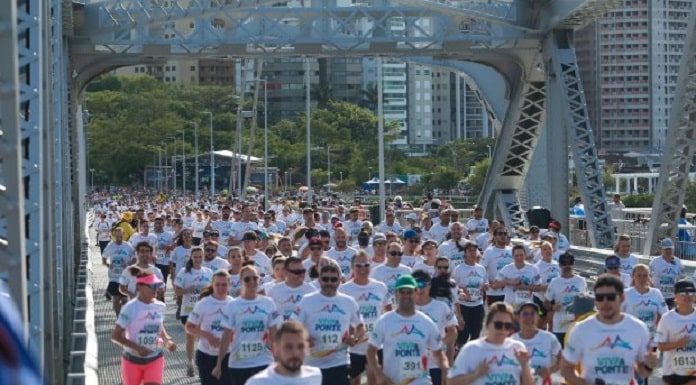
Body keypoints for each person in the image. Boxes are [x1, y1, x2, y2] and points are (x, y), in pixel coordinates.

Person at [560, 274, 658, 385]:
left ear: (622, 298)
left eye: (610, 297)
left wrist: (649, 366)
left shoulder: (638, 328)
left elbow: (643, 372)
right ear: (595, 301)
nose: (605, 302)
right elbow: (565, 368)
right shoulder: (580, 329)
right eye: (600, 298)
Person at [367, 275, 448, 385]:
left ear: (416, 293)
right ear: (396, 294)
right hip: (392, 381)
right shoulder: (384, 321)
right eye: (402, 292)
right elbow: (371, 350)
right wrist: (379, 374)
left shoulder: (427, 322)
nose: (406, 296)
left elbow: (438, 353)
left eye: (409, 292)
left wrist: (445, 368)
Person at [295, 264, 365, 385]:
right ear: (319, 280)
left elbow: (360, 326)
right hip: (312, 364)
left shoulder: (348, 301)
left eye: (333, 279)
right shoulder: (307, 300)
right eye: (325, 279)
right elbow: (292, 326)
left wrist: (355, 338)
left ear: (339, 281)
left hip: (339, 363)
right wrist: (304, 337)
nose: (329, 283)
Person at [213, 265, 279, 385]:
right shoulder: (233, 305)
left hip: (264, 361)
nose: (252, 282)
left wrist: (279, 360)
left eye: (255, 278)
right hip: (239, 364)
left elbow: (274, 334)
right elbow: (226, 337)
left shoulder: (268, 303)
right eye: (247, 279)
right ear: (241, 281)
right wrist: (218, 364)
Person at [111, 267, 177, 385]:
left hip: (155, 357)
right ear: (140, 287)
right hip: (132, 359)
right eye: (151, 286)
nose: (155, 289)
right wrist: (137, 348)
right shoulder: (130, 308)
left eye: (156, 285)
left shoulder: (160, 306)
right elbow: (116, 336)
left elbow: (159, 326)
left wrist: (167, 341)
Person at [448, 302, 533, 385]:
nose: (503, 329)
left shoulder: (518, 347)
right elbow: (450, 382)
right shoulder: (471, 349)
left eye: (507, 326)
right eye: (498, 325)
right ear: (488, 324)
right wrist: (476, 374)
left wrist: (524, 365)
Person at [338, 251, 389, 385]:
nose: (362, 269)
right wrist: (348, 337)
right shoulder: (343, 290)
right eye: (358, 266)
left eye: (366, 265)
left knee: (374, 379)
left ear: (370, 266)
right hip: (354, 347)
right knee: (355, 381)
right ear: (352, 267)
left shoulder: (380, 287)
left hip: (376, 344)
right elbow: (340, 318)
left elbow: (387, 313)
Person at [185, 270, 234, 385]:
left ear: (229, 285)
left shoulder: (234, 304)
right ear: (212, 284)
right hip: (206, 355)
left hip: (228, 355)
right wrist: (208, 336)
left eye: (224, 285)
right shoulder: (204, 303)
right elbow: (189, 327)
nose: (221, 288)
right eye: (217, 284)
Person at [174, 246, 214, 376]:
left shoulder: (208, 272)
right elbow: (177, 291)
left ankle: (205, 363)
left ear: (203, 257)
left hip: (205, 311)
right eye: (195, 257)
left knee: (204, 338)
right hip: (188, 310)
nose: (198, 259)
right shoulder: (184, 272)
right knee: (190, 338)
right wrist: (187, 290)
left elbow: (213, 291)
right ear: (191, 257)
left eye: (200, 257)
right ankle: (190, 363)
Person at [412, 270, 457, 385]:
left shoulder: (441, 306)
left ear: (430, 285)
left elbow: (453, 331)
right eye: (416, 285)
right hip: (413, 365)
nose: (420, 289)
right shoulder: (405, 307)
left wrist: (440, 344)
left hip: (436, 364)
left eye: (423, 285)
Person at [245, 320, 322, 385]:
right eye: (288, 347)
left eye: (300, 346)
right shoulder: (257, 383)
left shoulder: (315, 376)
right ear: (276, 349)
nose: (295, 353)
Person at [656, 280, 696, 385]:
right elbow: (660, 346)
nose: (687, 296)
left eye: (691, 293)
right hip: (672, 372)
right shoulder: (667, 318)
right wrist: (677, 344)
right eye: (683, 293)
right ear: (675, 297)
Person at [511, 302, 561, 385]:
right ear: (518, 317)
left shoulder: (549, 338)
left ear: (538, 317)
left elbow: (562, 359)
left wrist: (550, 370)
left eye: (533, 314)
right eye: (525, 314)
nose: (529, 317)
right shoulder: (512, 341)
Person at [544, 252, 587, 347]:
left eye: (570, 262)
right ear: (559, 265)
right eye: (564, 263)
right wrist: (552, 307)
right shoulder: (554, 282)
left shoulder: (581, 281)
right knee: (561, 356)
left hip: (576, 325)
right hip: (560, 326)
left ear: (573, 264)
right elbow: (545, 303)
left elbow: (586, 300)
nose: (567, 265)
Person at [622, 264, 668, 350]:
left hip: (650, 340)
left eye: (645, 275)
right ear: (633, 276)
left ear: (649, 277)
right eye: (639, 275)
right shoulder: (625, 293)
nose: (642, 279)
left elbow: (665, 315)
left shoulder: (656, 293)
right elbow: (617, 315)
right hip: (630, 340)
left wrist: (660, 335)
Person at [452, 241, 487, 348]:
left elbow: (485, 283)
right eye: (470, 250)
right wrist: (463, 290)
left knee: (476, 334)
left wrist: (484, 287)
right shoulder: (459, 269)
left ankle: (472, 354)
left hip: (478, 305)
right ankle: (458, 356)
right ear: (465, 253)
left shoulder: (481, 268)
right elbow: (453, 286)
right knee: (462, 335)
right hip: (464, 306)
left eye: (474, 250)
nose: (472, 253)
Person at [267, 256, 316, 321]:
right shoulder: (274, 291)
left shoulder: (311, 290)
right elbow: (268, 315)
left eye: (303, 271)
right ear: (286, 272)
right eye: (297, 272)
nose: (301, 274)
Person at [102, 227, 135, 315]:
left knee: (124, 300)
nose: (119, 239)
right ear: (114, 236)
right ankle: (118, 316)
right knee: (116, 299)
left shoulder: (128, 246)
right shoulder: (110, 246)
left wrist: (128, 264)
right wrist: (108, 264)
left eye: (121, 236)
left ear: (123, 235)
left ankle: (124, 316)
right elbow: (104, 258)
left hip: (126, 277)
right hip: (114, 277)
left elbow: (135, 259)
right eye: (117, 237)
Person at [650, 238, 687, 309]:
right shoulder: (655, 261)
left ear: (673, 249)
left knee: (672, 317)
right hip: (658, 296)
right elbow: (648, 277)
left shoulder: (678, 262)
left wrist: (679, 285)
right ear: (661, 250)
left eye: (670, 249)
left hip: (672, 297)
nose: (668, 251)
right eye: (666, 249)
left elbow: (684, 277)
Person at [482, 227, 513, 304]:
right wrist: (488, 282)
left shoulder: (512, 250)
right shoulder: (488, 251)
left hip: (510, 292)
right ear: (495, 237)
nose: (503, 236)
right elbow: (482, 269)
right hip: (494, 293)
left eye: (505, 234)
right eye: (500, 234)